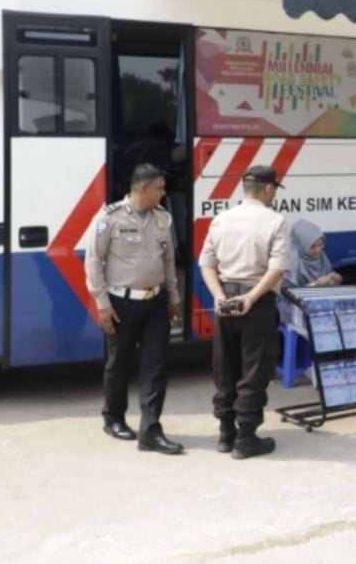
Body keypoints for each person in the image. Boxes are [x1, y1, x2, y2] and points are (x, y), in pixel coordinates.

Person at [86, 164, 184, 454]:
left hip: (155, 303)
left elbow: (168, 261)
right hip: (121, 304)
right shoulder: (109, 218)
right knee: (119, 364)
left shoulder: (162, 218)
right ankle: (113, 417)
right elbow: (93, 262)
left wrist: (173, 297)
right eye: (160, 188)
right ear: (143, 188)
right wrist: (102, 304)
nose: (164, 193)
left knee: (155, 367)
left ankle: (151, 430)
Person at [199, 165, 290, 459]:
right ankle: (246, 439)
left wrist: (219, 297)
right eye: (274, 189)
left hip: (225, 300)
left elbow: (207, 264)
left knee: (225, 367)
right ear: (268, 189)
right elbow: (277, 269)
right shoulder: (276, 221)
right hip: (257, 303)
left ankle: (226, 435)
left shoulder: (221, 219)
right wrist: (251, 297)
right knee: (254, 370)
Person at [280, 219, 342, 325]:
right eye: (312, 246)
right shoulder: (290, 262)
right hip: (294, 307)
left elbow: (330, 278)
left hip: (317, 302)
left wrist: (335, 279)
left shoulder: (321, 257)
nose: (318, 250)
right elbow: (287, 296)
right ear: (301, 244)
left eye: (321, 245)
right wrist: (316, 285)